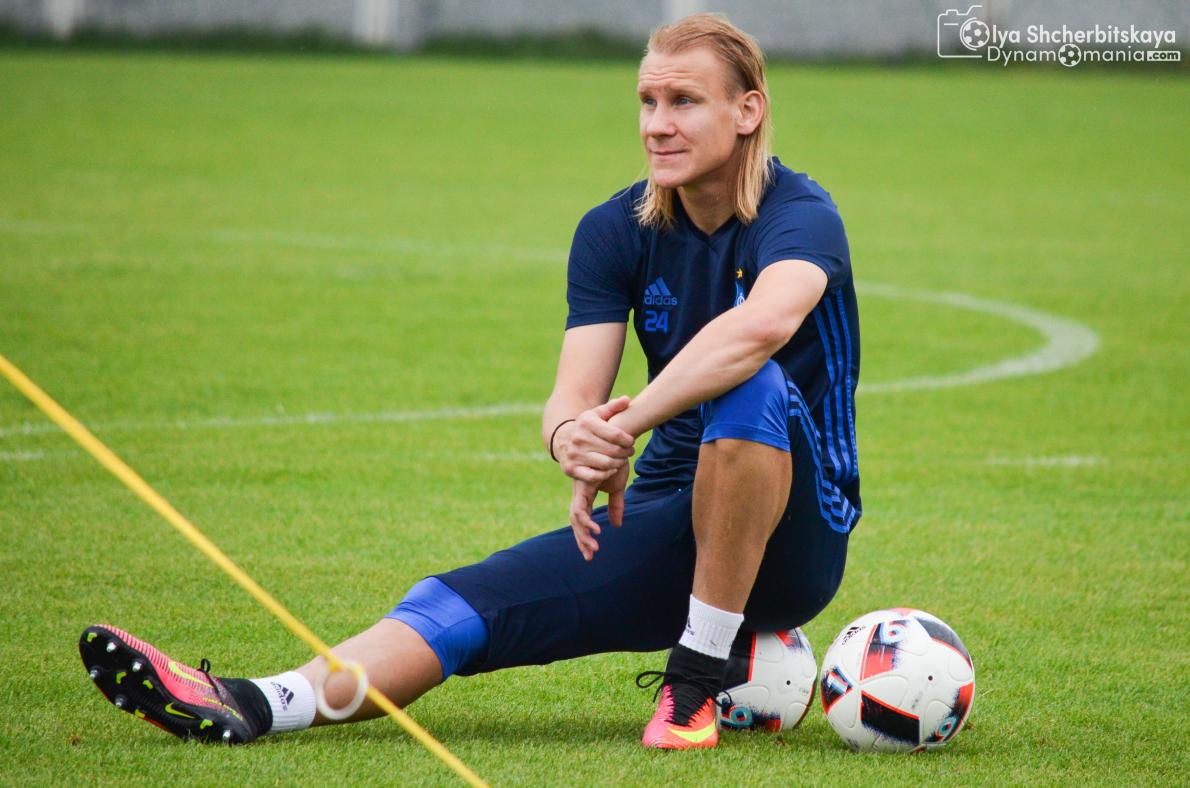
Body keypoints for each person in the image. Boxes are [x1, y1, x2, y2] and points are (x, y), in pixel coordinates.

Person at [78, 12, 860, 751]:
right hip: (667, 509)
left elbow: (757, 330)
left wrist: (628, 422)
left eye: (683, 101)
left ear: (748, 110)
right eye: (647, 101)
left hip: (799, 533)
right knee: (461, 604)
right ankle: (253, 703)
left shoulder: (801, 214)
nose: (657, 123)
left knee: (752, 386)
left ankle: (692, 685)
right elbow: (571, 395)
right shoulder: (614, 229)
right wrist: (573, 438)